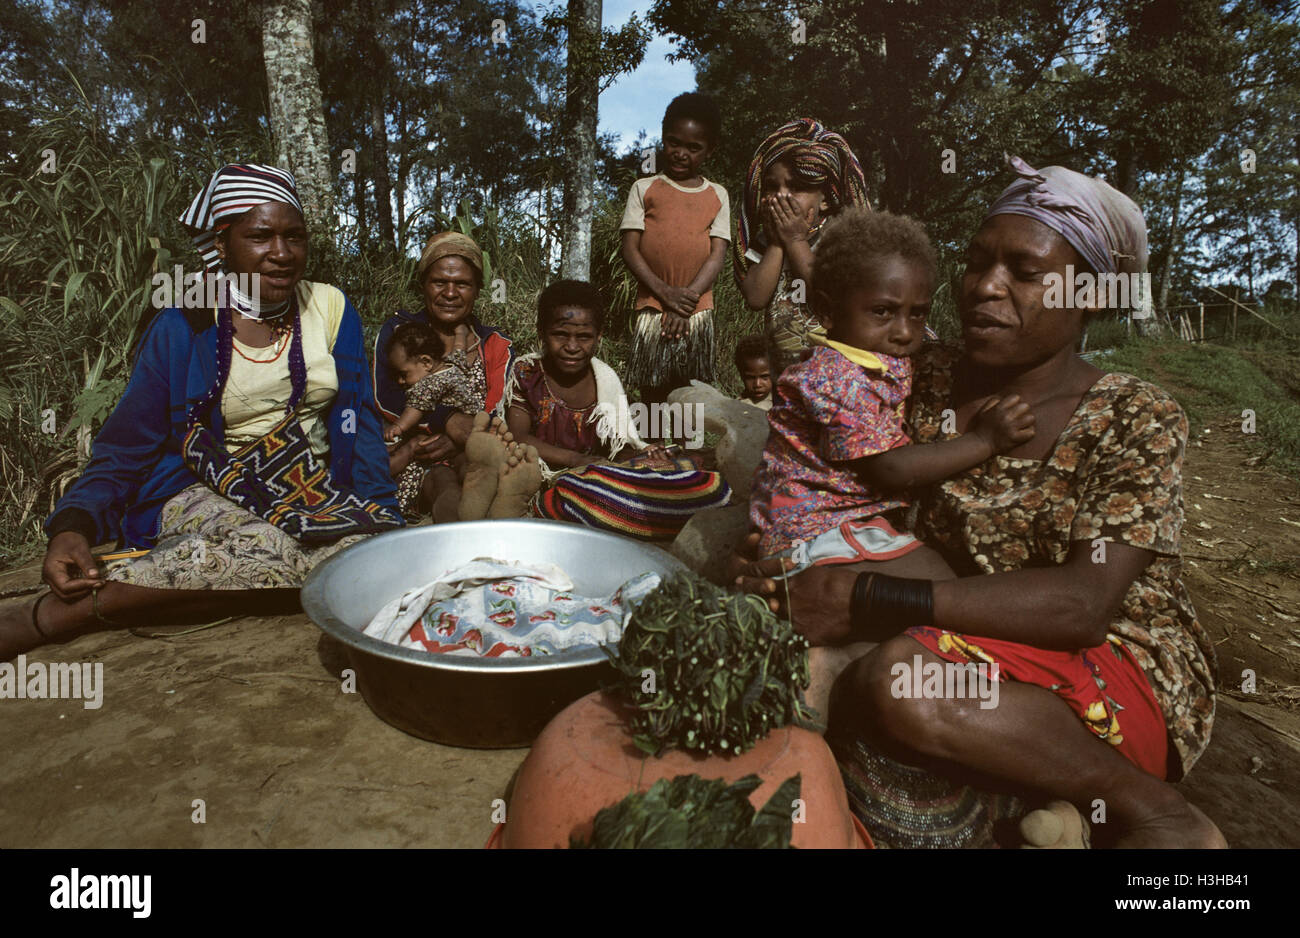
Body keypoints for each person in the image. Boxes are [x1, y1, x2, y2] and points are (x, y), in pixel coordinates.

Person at [731, 156, 1225, 849]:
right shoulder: (920, 376)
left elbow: (1082, 606)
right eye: (976, 262)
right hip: (959, 636)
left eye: (1024, 272)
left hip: (1106, 663)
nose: (985, 288)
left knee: (899, 684)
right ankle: (1053, 810)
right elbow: (833, 394)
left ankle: (1148, 808)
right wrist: (783, 556)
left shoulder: (1134, 416)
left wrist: (862, 596)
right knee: (814, 674)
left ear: (1090, 293)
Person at [0, 163, 400, 662]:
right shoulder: (185, 322)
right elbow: (126, 445)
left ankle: (176, 578)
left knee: (362, 554)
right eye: (260, 236)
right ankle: (65, 613)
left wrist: (383, 513)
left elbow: (355, 421)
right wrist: (72, 525)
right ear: (223, 242)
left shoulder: (330, 308)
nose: (281, 253)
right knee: (278, 546)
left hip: (308, 491)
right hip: (199, 489)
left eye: (294, 236)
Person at [750, 208, 1034, 575]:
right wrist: (984, 440)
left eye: (917, 313)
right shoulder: (838, 377)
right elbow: (890, 468)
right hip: (816, 529)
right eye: (882, 311)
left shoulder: (873, 354)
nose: (903, 331)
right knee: (936, 581)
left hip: (836, 526)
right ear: (826, 311)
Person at [462, 280, 732, 541]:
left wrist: (646, 454)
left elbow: (616, 446)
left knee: (684, 468)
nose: (571, 346)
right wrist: (574, 460)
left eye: (584, 337)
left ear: (598, 336)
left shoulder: (605, 379)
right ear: (541, 332)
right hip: (542, 475)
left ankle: (564, 506)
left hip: (597, 474)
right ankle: (527, 505)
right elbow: (519, 437)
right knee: (588, 490)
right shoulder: (528, 373)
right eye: (560, 335)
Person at [373, 231, 514, 522]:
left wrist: (462, 440)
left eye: (462, 284)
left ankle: (496, 509)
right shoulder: (399, 333)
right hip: (418, 454)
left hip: (473, 449)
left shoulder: (496, 345)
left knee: (478, 472)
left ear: (477, 290)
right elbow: (386, 397)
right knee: (443, 485)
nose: (450, 293)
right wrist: (447, 422)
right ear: (423, 285)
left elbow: (498, 406)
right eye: (439, 282)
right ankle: (457, 537)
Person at [620, 92, 730, 415]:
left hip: (696, 311)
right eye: (673, 143)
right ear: (662, 137)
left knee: (690, 391)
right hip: (654, 305)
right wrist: (666, 294)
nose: (681, 154)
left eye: (693, 148)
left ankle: (689, 456)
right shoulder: (644, 188)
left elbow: (717, 255)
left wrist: (686, 302)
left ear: (710, 150)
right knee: (652, 388)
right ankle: (652, 454)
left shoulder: (717, 195)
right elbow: (630, 249)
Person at [734, 118, 870, 376]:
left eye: (797, 188)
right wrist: (777, 242)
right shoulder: (766, 240)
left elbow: (829, 296)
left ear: (827, 201)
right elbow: (755, 297)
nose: (781, 196)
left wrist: (795, 240)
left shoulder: (839, 239)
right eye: (772, 187)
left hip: (833, 375)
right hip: (785, 376)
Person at [383, 321, 484, 520]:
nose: (400, 382)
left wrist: (398, 426)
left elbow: (415, 408)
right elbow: (459, 350)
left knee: (411, 463)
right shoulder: (454, 365)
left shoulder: (428, 384)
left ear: (427, 362)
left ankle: (399, 507)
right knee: (466, 467)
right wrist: (460, 333)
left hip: (446, 436)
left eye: (404, 374)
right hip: (470, 430)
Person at [733, 334, 773, 410]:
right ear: (741, 376)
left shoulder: (783, 402)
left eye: (764, 377)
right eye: (750, 378)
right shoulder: (738, 406)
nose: (757, 384)